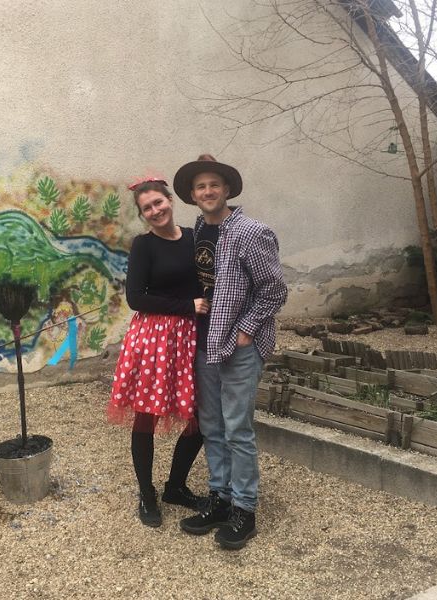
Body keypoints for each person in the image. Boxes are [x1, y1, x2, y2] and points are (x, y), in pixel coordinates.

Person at [174, 154, 287, 550]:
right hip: (204, 342)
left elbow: (274, 290)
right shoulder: (200, 229)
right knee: (212, 427)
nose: (208, 191)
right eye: (200, 186)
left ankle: (245, 509)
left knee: (238, 428)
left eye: (214, 185)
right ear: (193, 195)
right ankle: (219, 498)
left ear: (227, 190)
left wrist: (246, 330)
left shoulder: (251, 233)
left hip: (238, 346)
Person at [108, 177, 210, 528]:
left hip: (191, 338)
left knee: (200, 415)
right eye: (147, 208)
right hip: (155, 339)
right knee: (147, 416)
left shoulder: (194, 238)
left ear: (170, 200)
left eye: (158, 203)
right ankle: (146, 492)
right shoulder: (144, 246)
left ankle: (176, 486)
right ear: (143, 214)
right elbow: (136, 298)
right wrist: (186, 305)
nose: (155, 211)